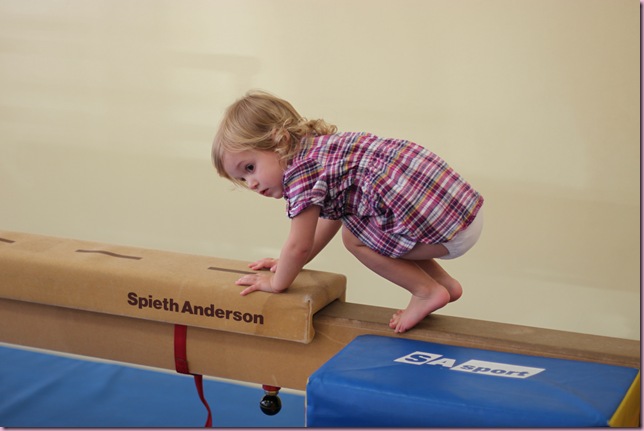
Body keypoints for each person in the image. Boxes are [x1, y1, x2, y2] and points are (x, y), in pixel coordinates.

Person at [212, 90, 484, 333]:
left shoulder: (300, 173)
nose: (251, 183)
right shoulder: (320, 148)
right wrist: (286, 264)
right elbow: (329, 221)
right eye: (242, 179)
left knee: (354, 240)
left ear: (279, 140)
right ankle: (444, 284)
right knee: (357, 225)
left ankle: (425, 291)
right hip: (462, 211)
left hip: (443, 227)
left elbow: (299, 245)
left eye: (250, 168)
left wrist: (276, 282)